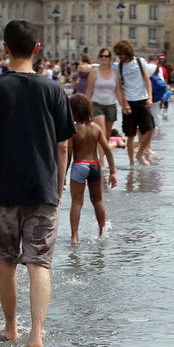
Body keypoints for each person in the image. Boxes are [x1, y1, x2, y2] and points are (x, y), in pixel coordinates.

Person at [0, 19, 76, 347]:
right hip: (43, 189)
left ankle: (11, 327)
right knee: (39, 263)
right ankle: (36, 333)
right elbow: (63, 147)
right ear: (37, 48)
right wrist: (59, 185)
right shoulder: (54, 90)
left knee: (5, 260)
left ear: (4, 48)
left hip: (3, 189)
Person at [68, 93, 116, 245]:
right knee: (98, 201)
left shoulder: (73, 129)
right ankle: (102, 232)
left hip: (79, 165)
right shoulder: (95, 128)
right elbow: (107, 150)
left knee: (76, 202)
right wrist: (113, 172)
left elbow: (68, 154)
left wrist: (62, 177)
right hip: (95, 166)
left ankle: (74, 237)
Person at [113, 40, 154, 166]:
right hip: (129, 102)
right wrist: (123, 104)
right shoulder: (118, 66)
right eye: (118, 54)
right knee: (130, 134)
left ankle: (140, 154)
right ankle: (131, 163)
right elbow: (119, 88)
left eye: (122, 53)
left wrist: (150, 97)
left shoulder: (140, 62)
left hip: (142, 99)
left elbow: (147, 80)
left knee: (150, 129)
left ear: (128, 52)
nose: (120, 56)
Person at [85, 47, 118, 170]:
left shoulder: (115, 73)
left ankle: (102, 157)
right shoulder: (94, 72)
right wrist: (85, 108)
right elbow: (89, 90)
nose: (104, 58)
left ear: (110, 58)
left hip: (111, 104)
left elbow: (118, 90)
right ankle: (101, 161)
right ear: (99, 58)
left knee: (107, 135)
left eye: (106, 56)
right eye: (102, 56)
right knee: (102, 131)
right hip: (96, 104)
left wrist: (125, 105)